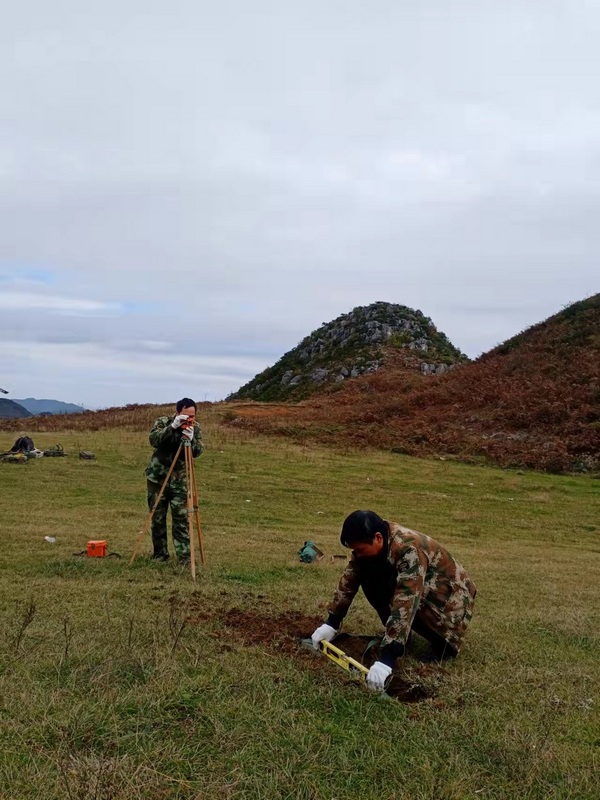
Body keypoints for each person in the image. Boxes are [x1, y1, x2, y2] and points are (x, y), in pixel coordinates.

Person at [310, 510, 477, 691]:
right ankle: (401, 638)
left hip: (451, 603)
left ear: (378, 538)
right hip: (424, 589)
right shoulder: (368, 547)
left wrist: (387, 657)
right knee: (370, 577)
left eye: (359, 549)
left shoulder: (409, 549)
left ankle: (444, 642)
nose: (356, 554)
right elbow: (349, 578)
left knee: (440, 645)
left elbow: (407, 597)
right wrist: (332, 623)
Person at [145, 398, 204, 563]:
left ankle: (184, 558)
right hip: (158, 477)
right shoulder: (163, 422)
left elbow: (197, 452)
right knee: (157, 517)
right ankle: (160, 555)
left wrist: (191, 439)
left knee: (181, 518)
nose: (188, 419)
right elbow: (154, 440)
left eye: (192, 416)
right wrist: (172, 428)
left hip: (180, 480)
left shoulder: (195, 428)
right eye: (185, 415)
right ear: (177, 412)